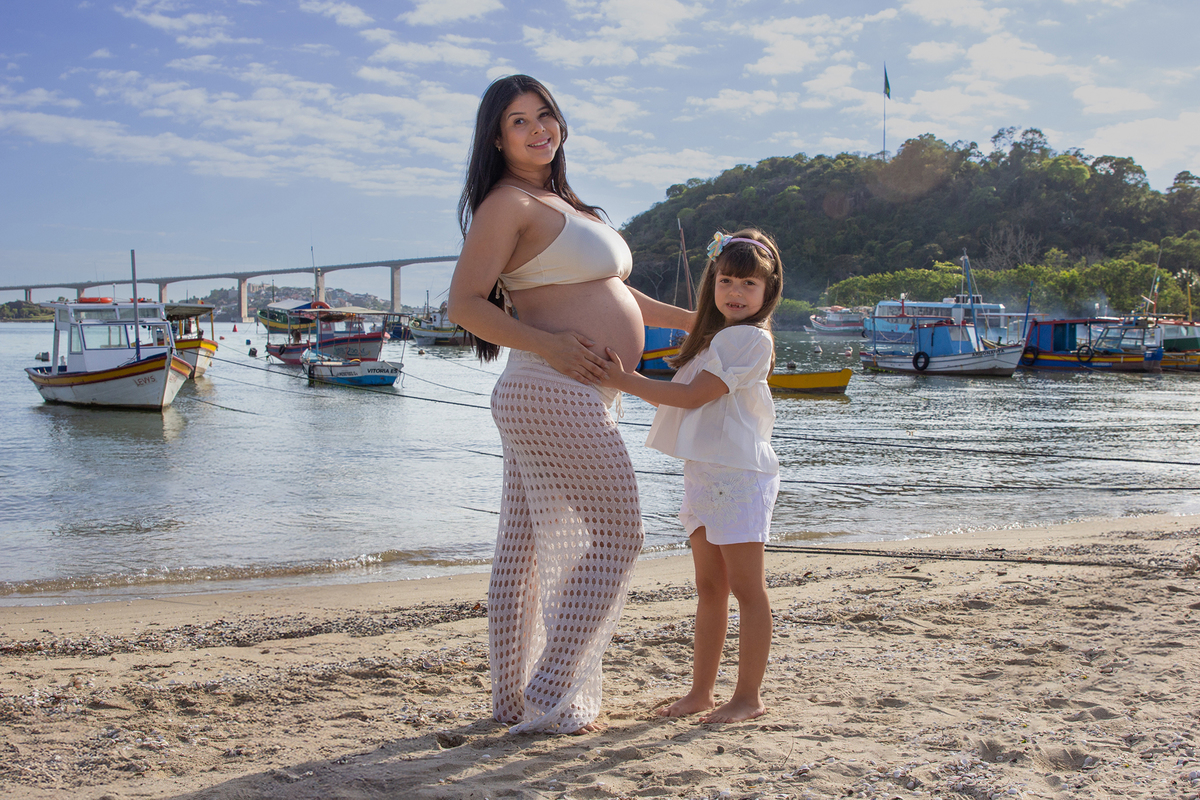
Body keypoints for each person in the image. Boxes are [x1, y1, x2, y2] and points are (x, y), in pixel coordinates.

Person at [446, 74, 694, 735]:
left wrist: (702, 325)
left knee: (522, 548)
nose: (538, 129)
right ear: (497, 139)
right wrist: (550, 346)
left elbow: (619, 294)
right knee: (621, 533)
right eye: (519, 121)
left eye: (545, 115)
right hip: (550, 387)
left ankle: (509, 703)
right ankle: (550, 687)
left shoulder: (565, 205)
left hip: (568, 391)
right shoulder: (508, 205)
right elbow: (464, 304)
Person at [599, 228, 783, 723]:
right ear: (712, 283)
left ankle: (747, 697)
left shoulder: (748, 339)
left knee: (747, 589)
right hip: (706, 473)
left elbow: (692, 397)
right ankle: (701, 692)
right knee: (709, 587)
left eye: (749, 284)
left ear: (768, 291)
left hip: (740, 474)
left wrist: (621, 379)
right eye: (726, 281)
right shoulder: (716, 337)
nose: (736, 293)